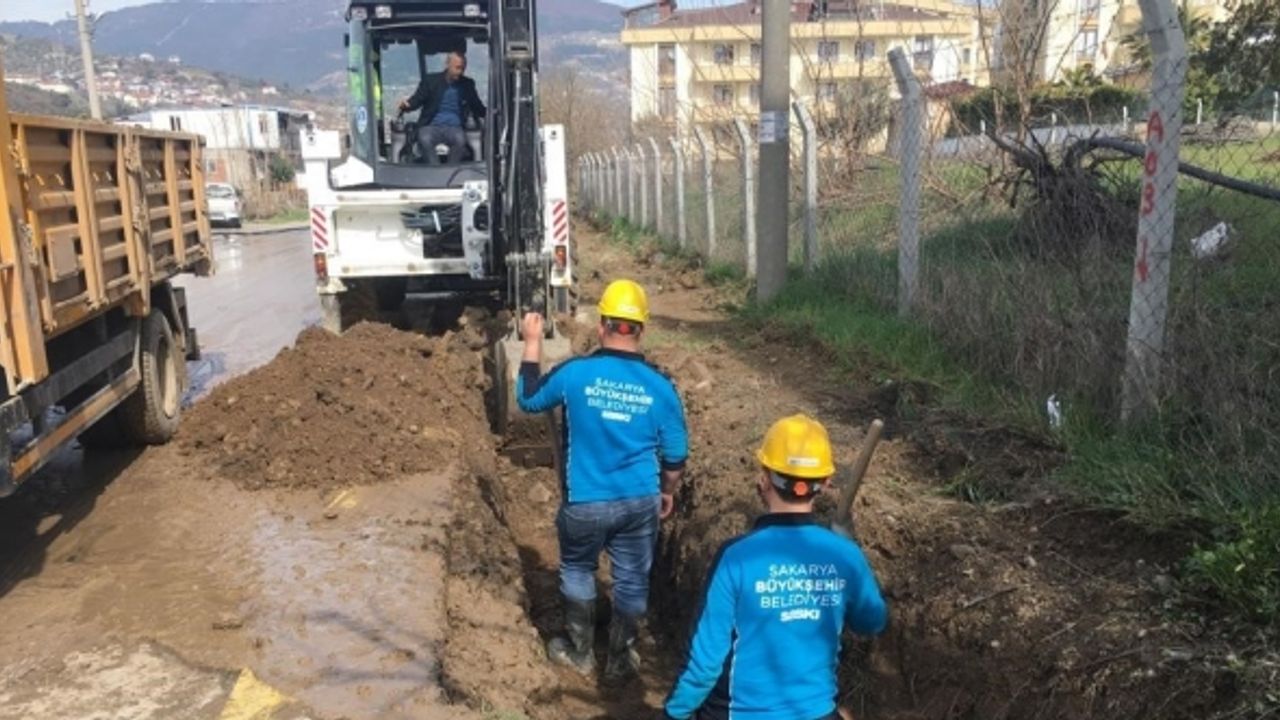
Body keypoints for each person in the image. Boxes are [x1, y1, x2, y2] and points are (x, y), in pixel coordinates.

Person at [517, 279, 689, 683]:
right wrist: (667, 492)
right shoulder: (662, 388)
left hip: (585, 501)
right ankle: (620, 658)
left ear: (602, 326)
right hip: (639, 501)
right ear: (641, 329)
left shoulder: (575, 373)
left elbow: (527, 398)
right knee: (631, 577)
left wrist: (531, 342)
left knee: (578, 568)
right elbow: (676, 458)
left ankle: (580, 653)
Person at [662, 414, 888, 720]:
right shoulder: (845, 554)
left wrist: (674, 714)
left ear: (764, 478)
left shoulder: (737, 557)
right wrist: (850, 555)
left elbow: (704, 663)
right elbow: (872, 621)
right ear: (825, 483)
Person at [397, 51, 485, 164]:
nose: (460, 72)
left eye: (463, 68)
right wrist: (406, 105)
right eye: (457, 68)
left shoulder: (467, 84)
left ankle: (451, 169)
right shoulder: (431, 81)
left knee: (460, 140)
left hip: (455, 128)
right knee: (424, 138)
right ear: (447, 64)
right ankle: (434, 168)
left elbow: (476, 105)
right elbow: (417, 100)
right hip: (432, 126)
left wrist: (490, 113)